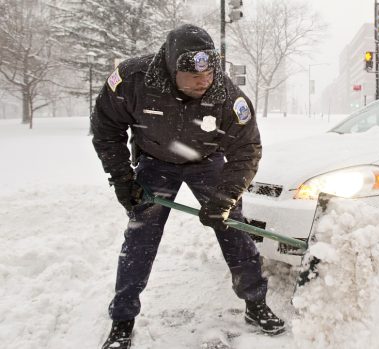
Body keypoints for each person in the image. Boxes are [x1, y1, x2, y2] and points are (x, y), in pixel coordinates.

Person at [91, 24, 284, 349]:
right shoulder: (132, 79)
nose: (203, 80)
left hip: (207, 162)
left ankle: (256, 303)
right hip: (155, 162)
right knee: (141, 236)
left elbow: (246, 150)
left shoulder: (228, 96)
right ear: (169, 67)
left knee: (234, 228)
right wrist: (122, 178)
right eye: (192, 75)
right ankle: (123, 319)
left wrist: (223, 198)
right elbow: (106, 126)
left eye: (209, 72)